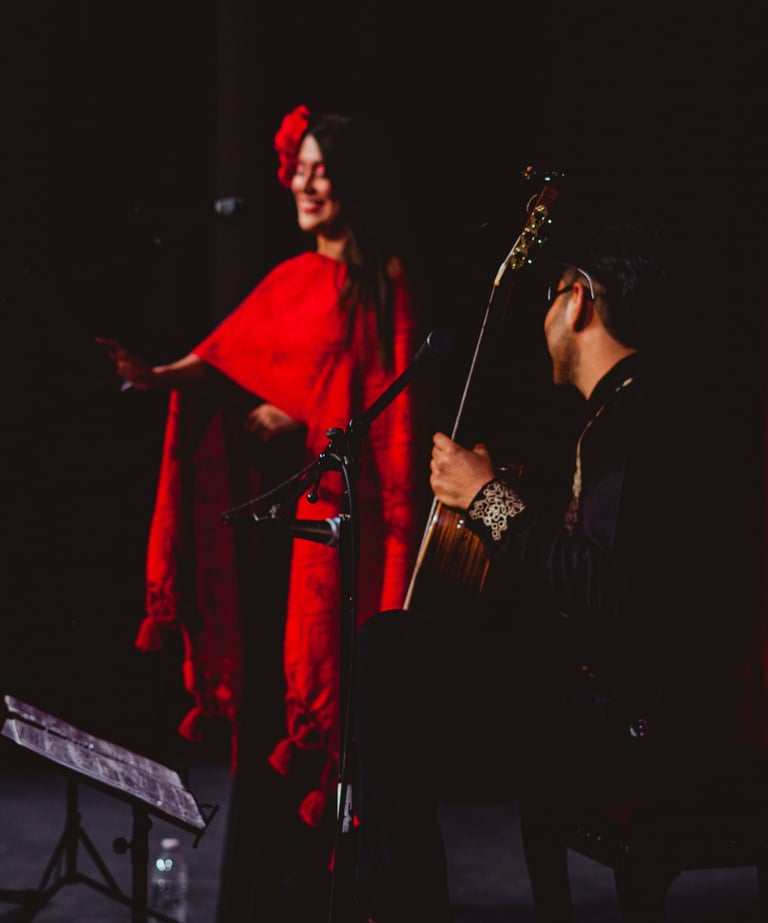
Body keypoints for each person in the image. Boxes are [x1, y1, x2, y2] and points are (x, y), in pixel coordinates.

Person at [350, 223, 752, 923]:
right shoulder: (634, 409)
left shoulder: (637, 418)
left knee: (389, 655)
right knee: (401, 654)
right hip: (614, 706)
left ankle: (403, 903)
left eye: (549, 297)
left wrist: (487, 499)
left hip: (627, 725)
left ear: (579, 302)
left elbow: (601, 586)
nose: (543, 319)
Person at [96, 104, 428, 922]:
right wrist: (159, 378)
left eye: (322, 168)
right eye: (299, 167)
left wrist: (302, 412)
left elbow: (388, 421)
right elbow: (219, 363)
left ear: (352, 176)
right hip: (275, 552)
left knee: (343, 728)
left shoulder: (383, 285)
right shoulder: (289, 280)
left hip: (341, 547)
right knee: (268, 734)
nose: (305, 183)